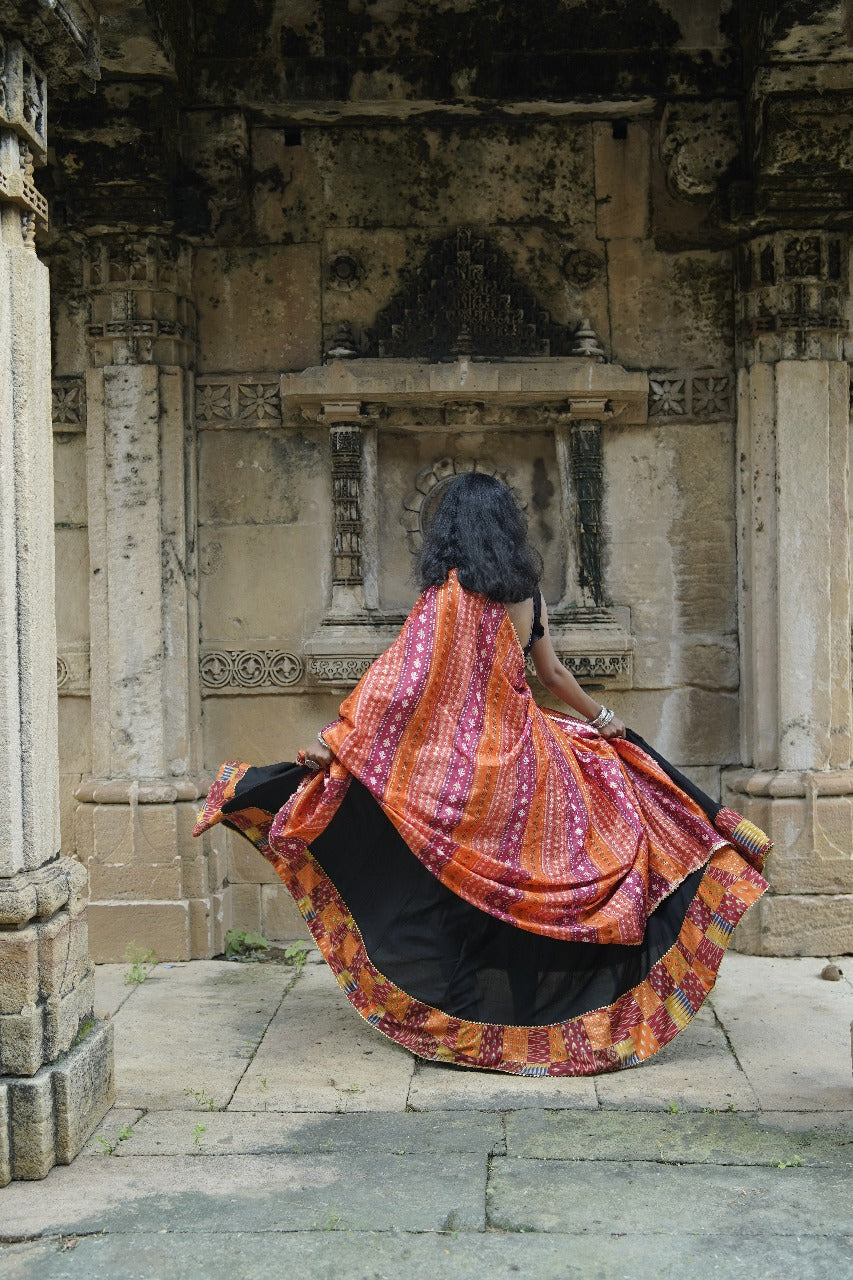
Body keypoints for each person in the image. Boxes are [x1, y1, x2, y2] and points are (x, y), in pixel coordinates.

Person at [194, 473, 771, 1076]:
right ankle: (545, 1016)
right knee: (582, 848)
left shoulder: (447, 598)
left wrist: (335, 744)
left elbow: (399, 682)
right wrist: (604, 719)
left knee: (457, 891)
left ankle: (465, 1018)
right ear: (506, 529)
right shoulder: (529, 595)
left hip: (466, 777)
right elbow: (552, 675)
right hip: (532, 763)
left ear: (449, 534)